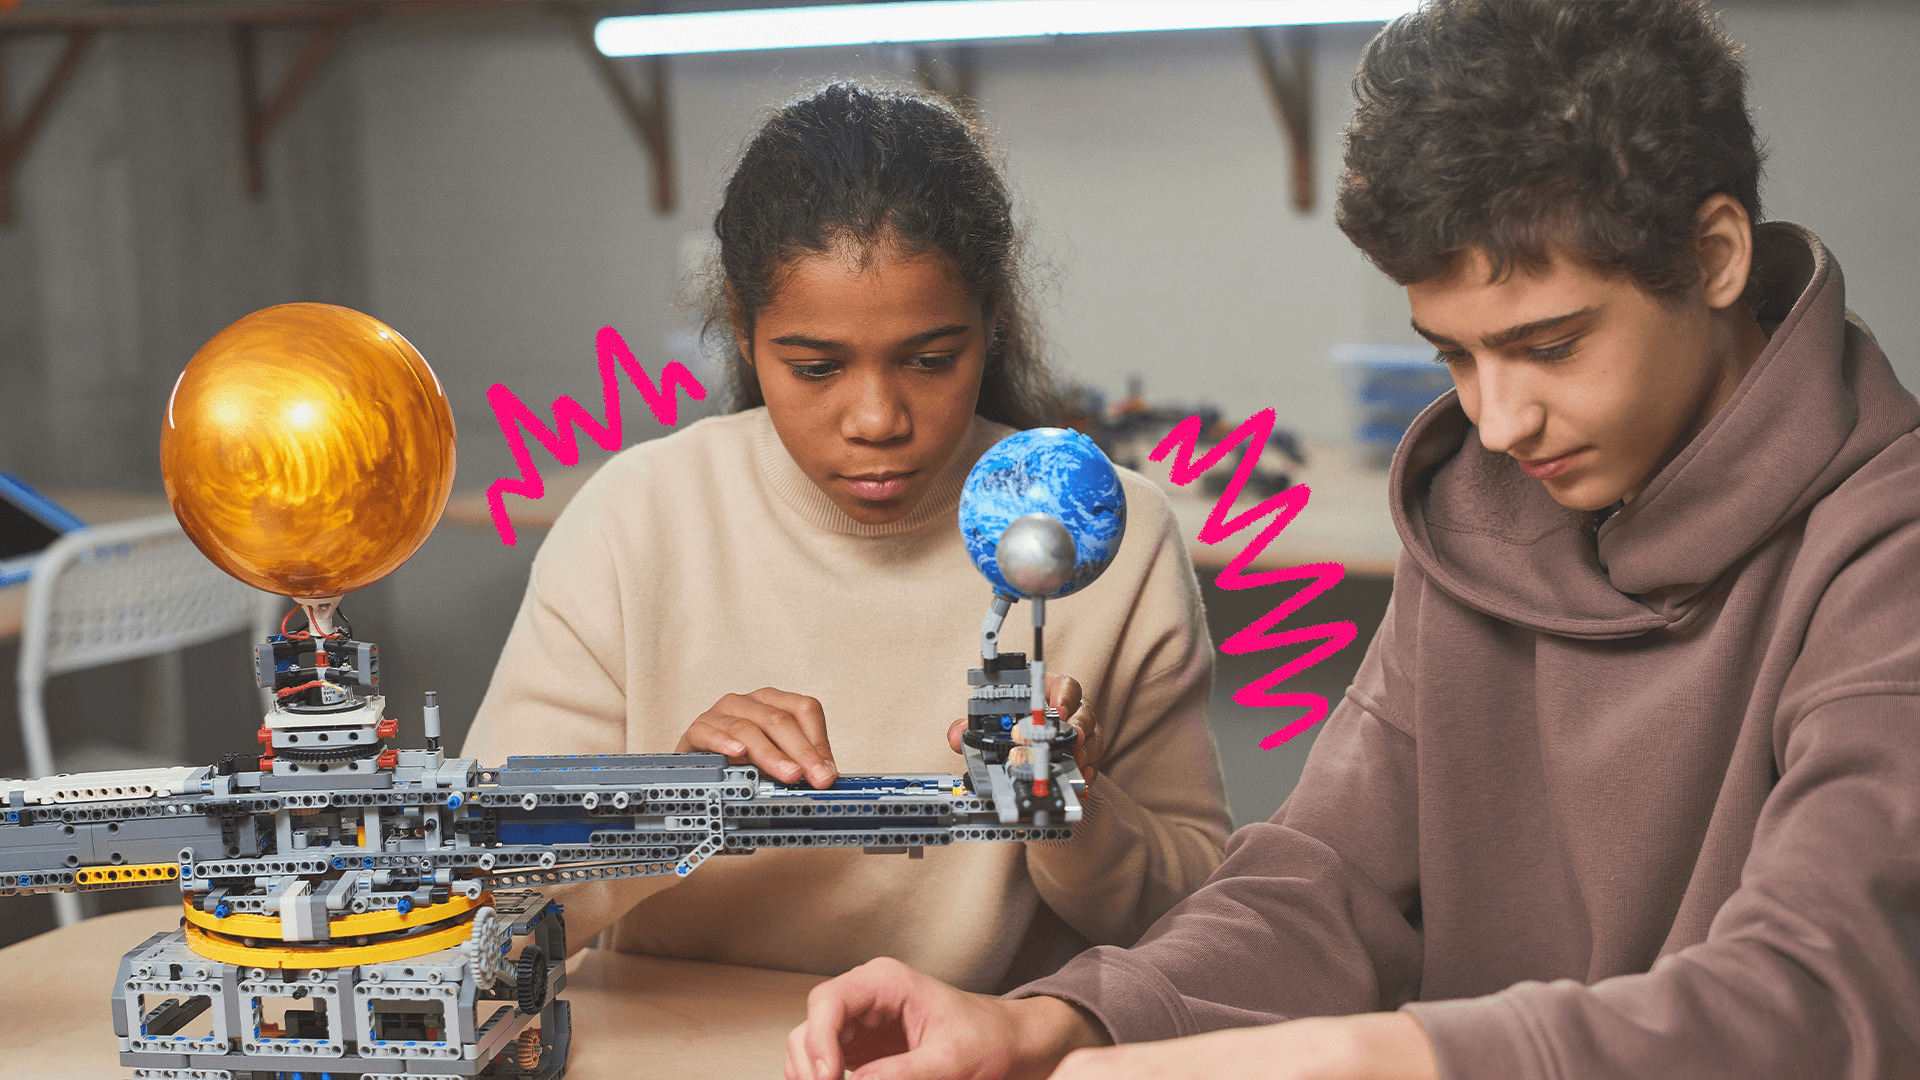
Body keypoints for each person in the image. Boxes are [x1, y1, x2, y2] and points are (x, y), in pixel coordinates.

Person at [786, 2, 1920, 1077]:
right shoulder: (1485, 507)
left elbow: (1828, 991)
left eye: (1552, 345)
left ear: (1717, 255)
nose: (1497, 420)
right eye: (1456, 356)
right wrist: (1061, 1020)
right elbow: (1321, 881)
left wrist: (1389, 1053)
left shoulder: (1889, 547)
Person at [463, 82, 1231, 994]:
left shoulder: (1108, 533)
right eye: (817, 367)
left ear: (993, 324)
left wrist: (1073, 811)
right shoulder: (635, 518)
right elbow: (471, 893)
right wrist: (669, 795)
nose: (875, 419)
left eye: (930, 360)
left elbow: (1200, 923)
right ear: (744, 334)